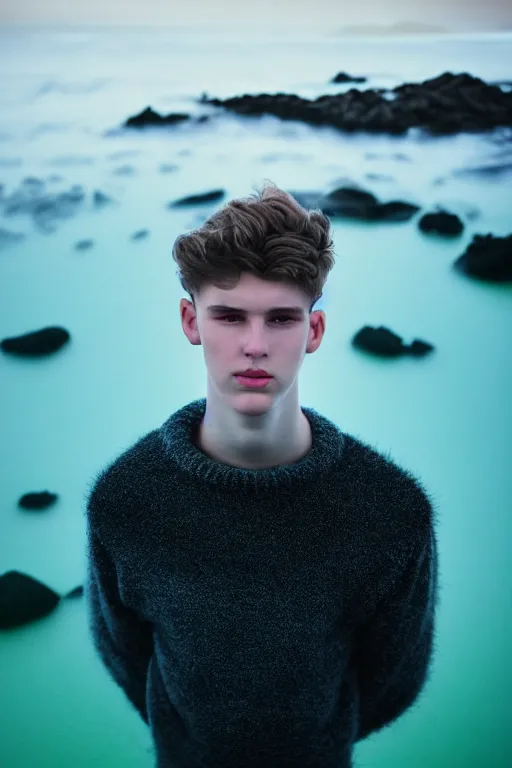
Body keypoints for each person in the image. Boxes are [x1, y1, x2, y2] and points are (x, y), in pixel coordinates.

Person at [84, 181, 439, 768]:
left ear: (315, 331)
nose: (254, 345)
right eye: (228, 316)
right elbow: (125, 657)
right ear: (190, 321)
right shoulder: (124, 501)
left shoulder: (392, 514)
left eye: (280, 319)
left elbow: (393, 682)